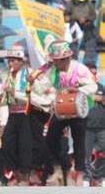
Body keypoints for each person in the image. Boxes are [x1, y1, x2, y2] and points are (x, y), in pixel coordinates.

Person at [41, 40, 97, 186]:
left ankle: (80, 174)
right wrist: (33, 82)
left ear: (65, 59)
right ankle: (57, 168)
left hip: (78, 110)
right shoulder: (52, 71)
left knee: (79, 142)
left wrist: (79, 90)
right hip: (61, 109)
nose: (55, 63)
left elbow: (93, 86)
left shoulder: (80, 69)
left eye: (57, 60)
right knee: (50, 137)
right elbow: (41, 87)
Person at [2, 44, 44, 186]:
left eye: (13, 60)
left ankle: (25, 175)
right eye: (9, 60)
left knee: (25, 145)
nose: (10, 63)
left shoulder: (29, 73)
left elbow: (33, 96)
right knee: (7, 143)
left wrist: (14, 93)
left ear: (21, 61)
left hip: (26, 113)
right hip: (12, 113)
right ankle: (16, 172)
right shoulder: (7, 75)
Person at [83, 78, 105, 187]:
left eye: (94, 72)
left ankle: (99, 176)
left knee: (102, 152)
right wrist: (91, 97)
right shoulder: (82, 87)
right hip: (87, 126)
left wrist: (103, 99)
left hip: (102, 126)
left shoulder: (101, 86)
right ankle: (86, 177)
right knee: (86, 154)